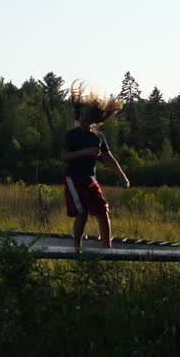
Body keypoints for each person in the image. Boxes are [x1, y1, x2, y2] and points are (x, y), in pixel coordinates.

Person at [62, 82, 129, 250]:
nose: (84, 117)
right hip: (74, 178)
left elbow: (109, 158)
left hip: (90, 179)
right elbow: (64, 156)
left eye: (88, 114)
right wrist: (84, 152)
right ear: (78, 116)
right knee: (82, 213)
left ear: (93, 118)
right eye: (82, 114)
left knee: (103, 212)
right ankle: (77, 249)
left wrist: (122, 176)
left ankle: (107, 248)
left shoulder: (98, 137)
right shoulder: (72, 135)